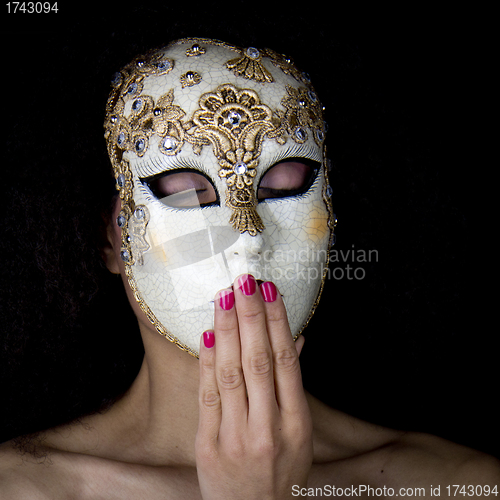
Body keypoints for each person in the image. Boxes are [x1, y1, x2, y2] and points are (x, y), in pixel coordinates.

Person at [1, 37, 498, 499]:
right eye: (187, 191)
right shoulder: (20, 487)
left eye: (283, 186)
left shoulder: (458, 485)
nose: (250, 237)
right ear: (108, 240)